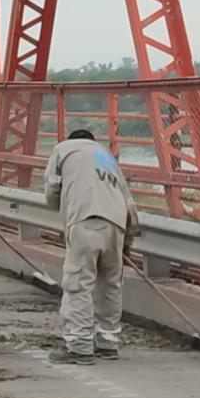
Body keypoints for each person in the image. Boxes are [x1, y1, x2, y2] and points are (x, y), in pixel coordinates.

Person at [43, 129, 140, 365]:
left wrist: (65, 213)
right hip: (116, 224)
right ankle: (108, 342)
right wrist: (126, 243)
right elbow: (128, 201)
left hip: (85, 220)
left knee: (79, 283)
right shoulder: (107, 157)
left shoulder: (62, 150)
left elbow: (51, 192)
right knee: (110, 284)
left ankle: (79, 346)